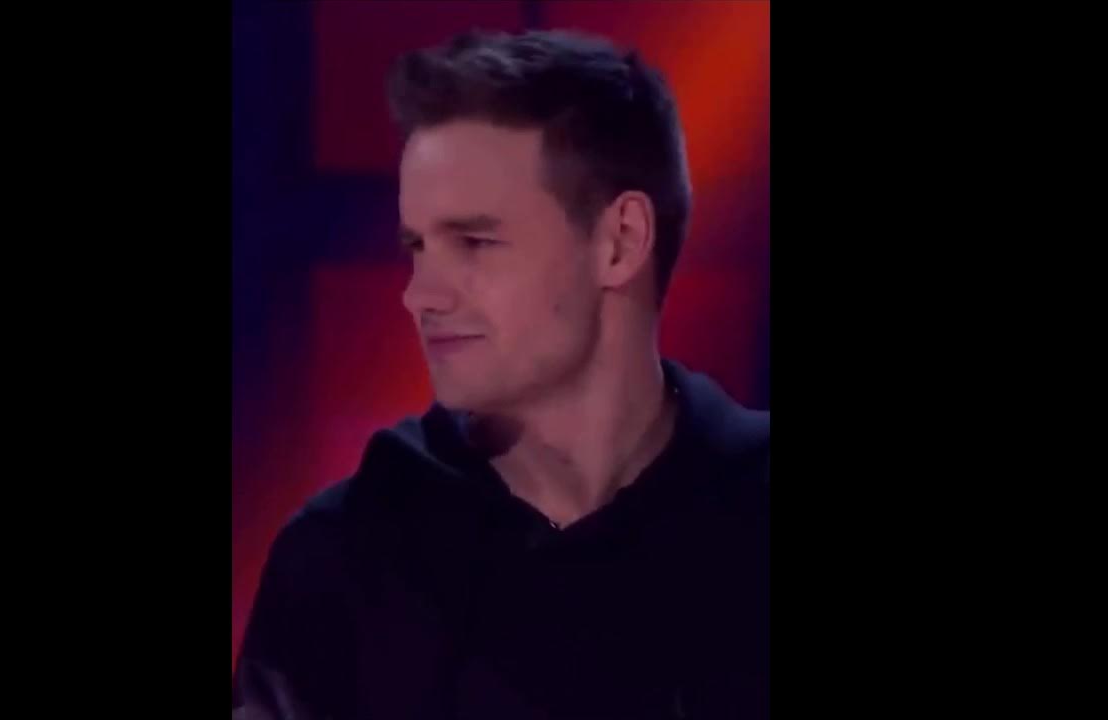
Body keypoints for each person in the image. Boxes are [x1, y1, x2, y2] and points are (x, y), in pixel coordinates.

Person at [233, 28, 768, 720]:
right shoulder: (343, 557)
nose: (420, 294)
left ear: (620, 242)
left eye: (474, 242)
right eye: (418, 247)